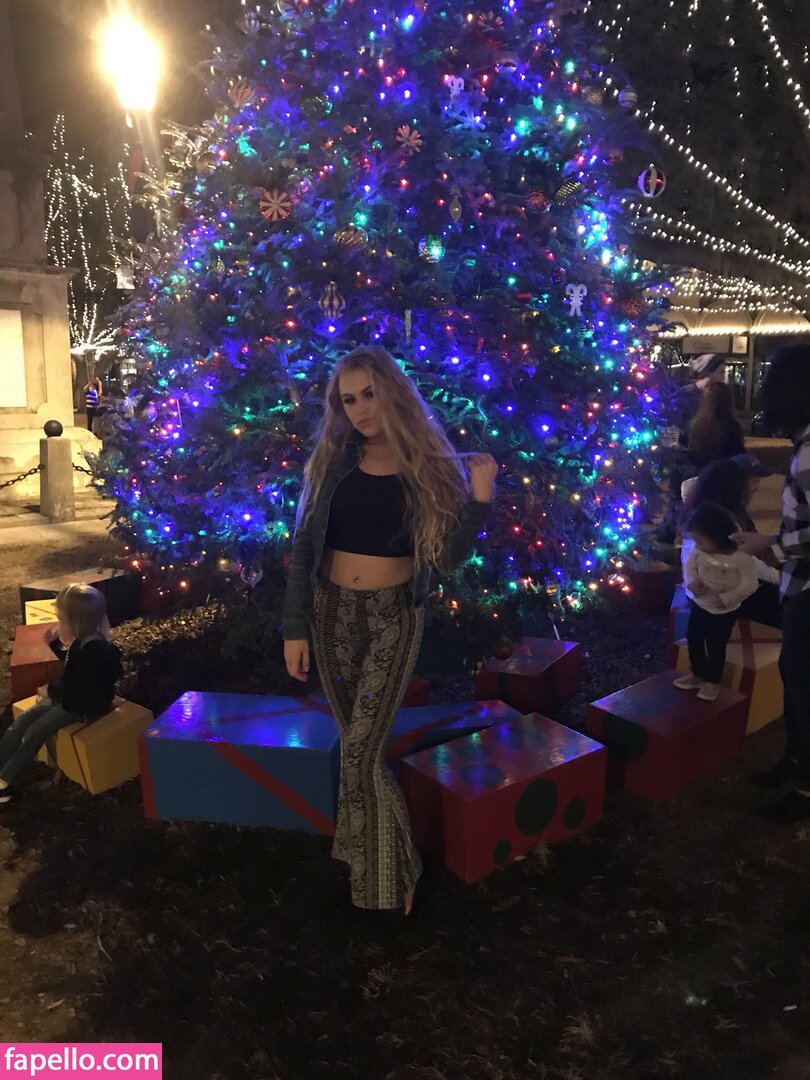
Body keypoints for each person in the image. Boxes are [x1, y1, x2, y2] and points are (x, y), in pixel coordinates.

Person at [282, 346, 497, 914]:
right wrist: (294, 627)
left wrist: (480, 502)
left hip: (392, 617)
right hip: (330, 614)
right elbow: (304, 548)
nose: (359, 409)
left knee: (360, 751)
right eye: (349, 400)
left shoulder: (429, 466)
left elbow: (444, 560)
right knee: (360, 749)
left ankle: (385, 885)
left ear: (393, 393)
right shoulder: (335, 462)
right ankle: (375, 856)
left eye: (369, 395)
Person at [732, 344, 810, 823]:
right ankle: (795, 762)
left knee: (803, 684)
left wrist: (771, 546)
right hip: (797, 585)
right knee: (793, 678)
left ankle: (804, 789)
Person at [0, 585, 123, 806]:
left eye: (62, 620)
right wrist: (54, 645)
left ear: (76, 623)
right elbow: (73, 666)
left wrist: (50, 690)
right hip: (67, 696)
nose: (60, 625)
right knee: (22, 722)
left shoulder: (94, 650)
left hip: (81, 705)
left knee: (35, 731)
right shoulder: (84, 641)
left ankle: (4, 781)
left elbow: (80, 685)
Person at [680, 455, 781, 628]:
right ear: (732, 488)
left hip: (724, 585)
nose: (756, 488)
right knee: (788, 601)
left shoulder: (716, 512)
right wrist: (785, 578)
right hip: (716, 596)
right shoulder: (715, 523)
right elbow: (750, 565)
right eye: (752, 482)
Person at [674, 502, 758, 701]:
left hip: (724, 610)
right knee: (694, 638)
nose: (697, 546)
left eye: (701, 542)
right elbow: (690, 567)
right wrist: (692, 583)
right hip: (700, 603)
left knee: (716, 644)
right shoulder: (699, 551)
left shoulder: (741, 557)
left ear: (718, 538)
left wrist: (728, 598)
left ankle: (712, 681)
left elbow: (750, 583)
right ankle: (697, 673)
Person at [684, 381, 745, 471]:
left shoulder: (694, 426)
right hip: (723, 474)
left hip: (699, 475)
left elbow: (691, 453)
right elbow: (739, 457)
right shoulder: (732, 427)